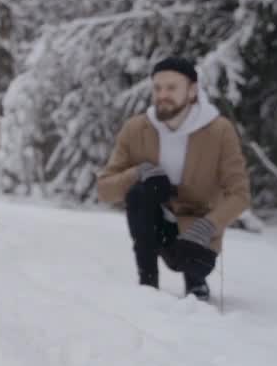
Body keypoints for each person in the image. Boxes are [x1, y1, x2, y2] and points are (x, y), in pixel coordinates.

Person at [95, 56, 251, 300]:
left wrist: (209, 225)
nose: (162, 95)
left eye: (171, 87)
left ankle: (195, 281)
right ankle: (147, 285)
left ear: (192, 91)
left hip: (197, 229)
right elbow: (105, 190)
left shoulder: (220, 130)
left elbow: (240, 194)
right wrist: (137, 172)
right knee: (138, 193)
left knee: (192, 260)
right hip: (157, 224)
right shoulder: (136, 129)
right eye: (157, 88)